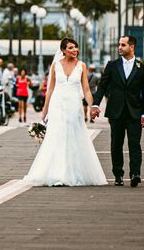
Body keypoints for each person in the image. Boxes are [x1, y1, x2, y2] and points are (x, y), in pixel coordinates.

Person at [24, 37, 107, 186]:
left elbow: (86, 90)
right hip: (57, 104)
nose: (74, 50)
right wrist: (45, 110)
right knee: (57, 136)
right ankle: (57, 173)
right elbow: (50, 89)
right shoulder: (56, 65)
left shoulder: (81, 66)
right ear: (63, 50)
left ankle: (72, 172)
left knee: (73, 136)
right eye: (70, 48)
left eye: (75, 47)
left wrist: (93, 106)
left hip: (74, 105)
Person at [90, 36, 144, 187]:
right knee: (116, 144)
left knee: (134, 144)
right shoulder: (112, 65)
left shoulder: (142, 68)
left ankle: (135, 173)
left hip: (134, 112)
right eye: (119, 44)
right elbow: (102, 86)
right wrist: (95, 104)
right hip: (116, 112)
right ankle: (118, 174)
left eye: (123, 45)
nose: (119, 47)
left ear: (132, 47)